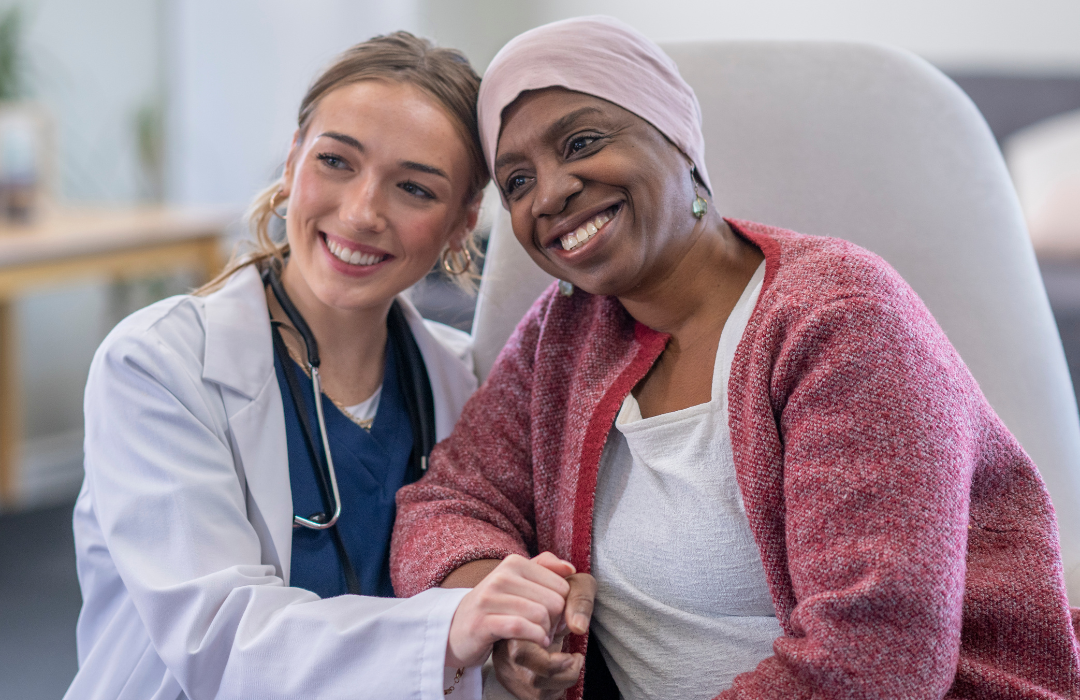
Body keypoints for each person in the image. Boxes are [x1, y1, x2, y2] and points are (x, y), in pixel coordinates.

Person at [390, 16, 1080, 700]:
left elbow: (875, 661)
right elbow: (446, 500)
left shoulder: (843, 320)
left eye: (583, 141)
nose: (551, 193)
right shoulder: (561, 337)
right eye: (516, 182)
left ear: (677, 136)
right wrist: (504, 605)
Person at [67, 32, 578, 700]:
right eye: (336, 161)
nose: (362, 213)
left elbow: (474, 603)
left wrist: (514, 638)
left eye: (415, 189)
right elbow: (217, 642)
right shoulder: (160, 366)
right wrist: (448, 629)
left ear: (463, 221)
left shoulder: (461, 384)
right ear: (291, 161)